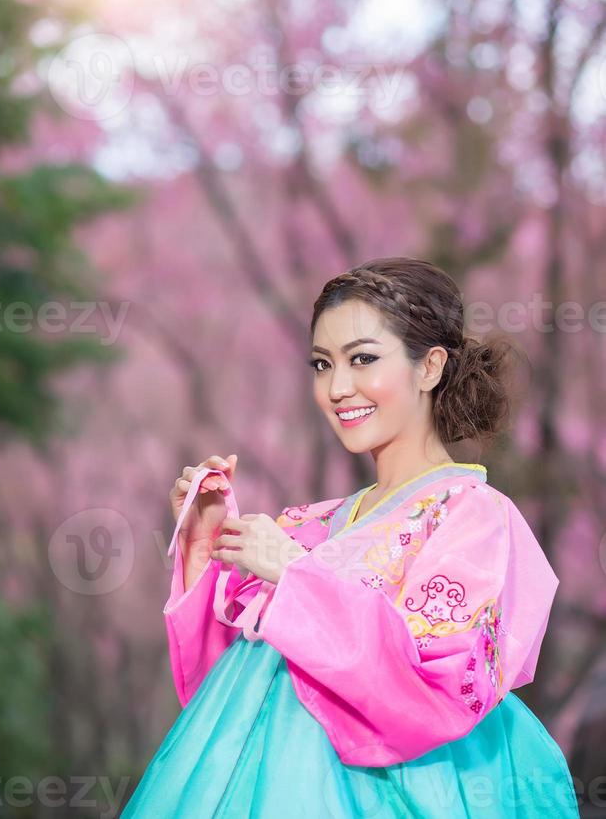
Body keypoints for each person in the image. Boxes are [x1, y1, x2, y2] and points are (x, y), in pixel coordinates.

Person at [121, 257, 579, 818]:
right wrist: (200, 546)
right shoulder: (307, 525)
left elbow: (433, 693)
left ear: (430, 366)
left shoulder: (473, 517)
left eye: (363, 359)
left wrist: (294, 575)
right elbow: (221, 704)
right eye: (321, 364)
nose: (338, 388)